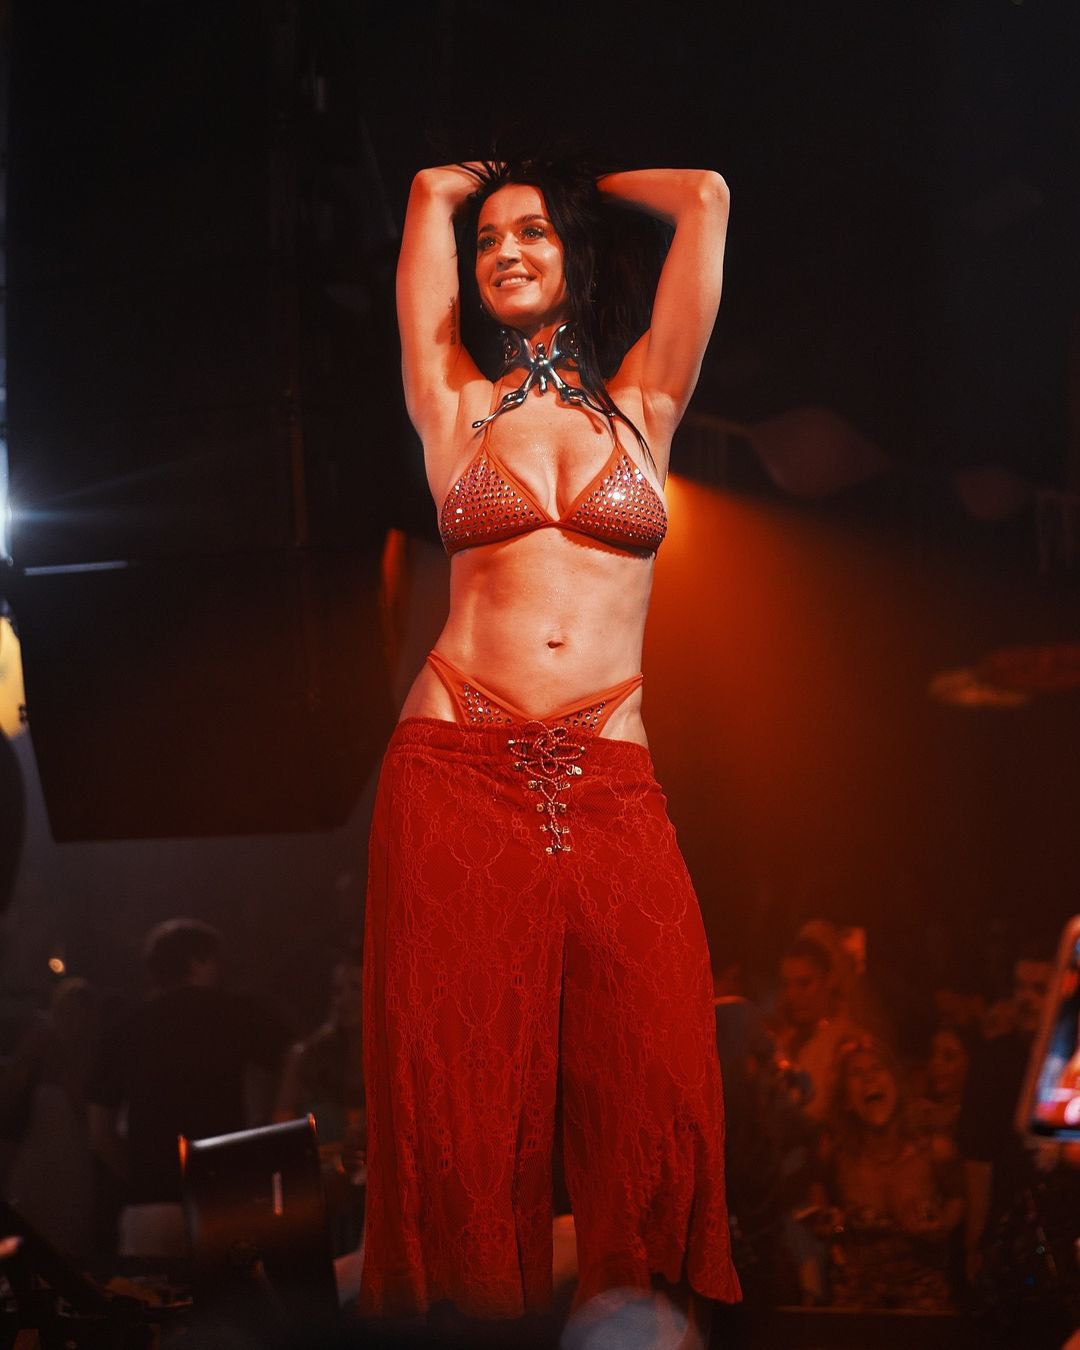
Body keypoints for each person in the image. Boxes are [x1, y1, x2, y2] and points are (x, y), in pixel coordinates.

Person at [361, 154, 738, 1337]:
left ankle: (630, 1324)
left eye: (531, 232)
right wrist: (467, 190)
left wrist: (576, 183)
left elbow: (706, 198)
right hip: (455, 763)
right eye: (490, 242)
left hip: (610, 773)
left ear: (574, 248)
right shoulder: (454, 404)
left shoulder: (647, 406)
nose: (506, 252)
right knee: (464, 1091)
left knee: (660, 1068)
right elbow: (430, 194)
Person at [88, 918, 286, 1259]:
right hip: (221, 1196)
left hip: (149, 1205)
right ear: (200, 961)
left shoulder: (128, 1028)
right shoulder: (237, 1015)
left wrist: (142, 1174)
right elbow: (287, 1061)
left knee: (148, 1292)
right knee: (223, 1292)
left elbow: (99, 1132)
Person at [815, 1036, 964, 1311]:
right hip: (856, 1300)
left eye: (877, 1068)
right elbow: (817, 1187)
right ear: (846, 1100)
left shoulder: (934, 1150)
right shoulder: (836, 1154)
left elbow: (958, 1198)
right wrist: (827, 1222)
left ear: (896, 1085)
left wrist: (941, 1225)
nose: (869, 1078)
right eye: (857, 1073)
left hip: (923, 1300)